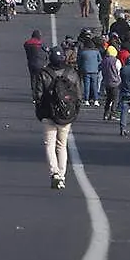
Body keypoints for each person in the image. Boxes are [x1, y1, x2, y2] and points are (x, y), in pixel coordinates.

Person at [32, 47, 82, 190]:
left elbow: (38, 95)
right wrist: (73, 112)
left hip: (48, 113)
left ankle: (54, 173)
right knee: (62, 145)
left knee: (50, 144)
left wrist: (41, 111)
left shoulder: (44, 73)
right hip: (66, 115)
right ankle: (62, 175)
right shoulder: (72, 73)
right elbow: (78, 96)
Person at [77, 36, 103, 106]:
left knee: (86, 86)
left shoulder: (83, 52)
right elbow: (100, 61)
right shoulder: (96, 51)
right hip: (95, 70)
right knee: (94, 86)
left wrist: (80, 68)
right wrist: (97, 67)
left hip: (85, 70)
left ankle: (86, 100)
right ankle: (96, 100)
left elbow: (79, 62)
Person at [100, 46, 121, 121]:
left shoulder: (104, 60)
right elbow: (119, 71)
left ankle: (106, 113)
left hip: (106, 81)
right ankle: (112, 113)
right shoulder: (116, 61)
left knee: (108, 99)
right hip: (115, 82)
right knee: (115, 99)